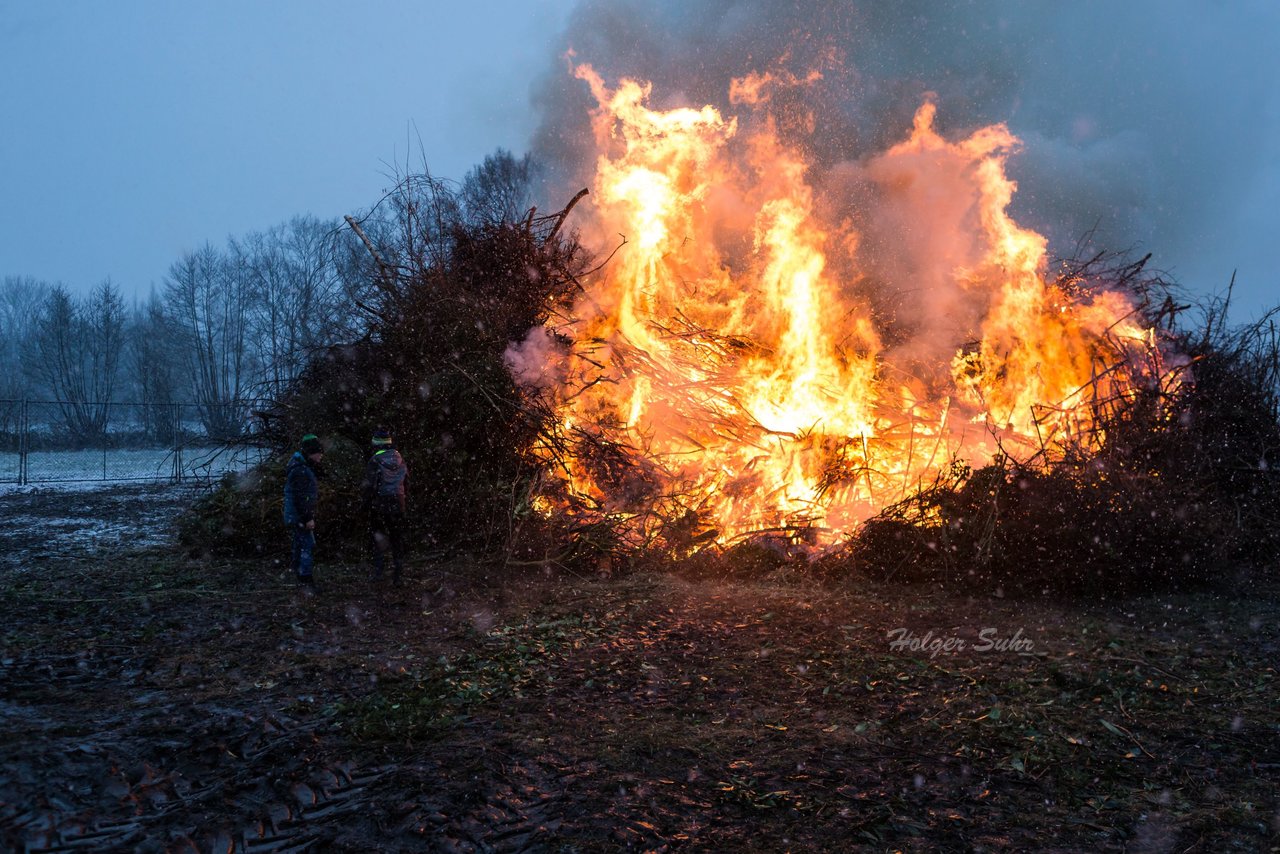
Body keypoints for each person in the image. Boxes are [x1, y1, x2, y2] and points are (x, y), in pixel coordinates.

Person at [361, 428, 408, 583]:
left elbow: (369, 486)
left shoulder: (374, 460)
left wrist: (365, 504)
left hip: (380, 503)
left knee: (378, 537)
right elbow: (406, 481)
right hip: (398, 502)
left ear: (376, 444)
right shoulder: (400, 458)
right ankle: (398, 575)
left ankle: (378, 573)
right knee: (397, 538)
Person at [283, 433, 323, 585]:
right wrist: (308, 518)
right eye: (319, 454)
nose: (321, 457)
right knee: (307, 544)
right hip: (299, 515)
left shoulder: (301, 466)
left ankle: (298, 572)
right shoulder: (301, 470)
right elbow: (301, 498)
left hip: (295, 515)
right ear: (312, 453)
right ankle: (306, 578)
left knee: (299, 543)